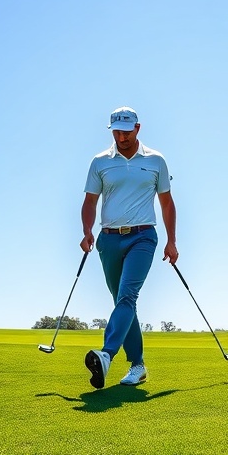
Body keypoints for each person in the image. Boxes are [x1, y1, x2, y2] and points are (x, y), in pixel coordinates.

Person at [80, 107, 178, 389]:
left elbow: (167, 203)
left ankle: (107, 355)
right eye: (116, 131)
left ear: (138, 128)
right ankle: (138, 365)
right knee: (123, 302)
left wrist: (171, 241)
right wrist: (87, 231)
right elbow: (90, 202)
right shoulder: (100, 162)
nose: (121, 136)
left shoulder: (155, 160)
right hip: (108, 239)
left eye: (127, 131)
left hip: (143, 237)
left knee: (127, 295)